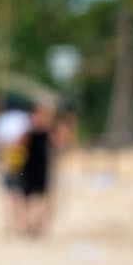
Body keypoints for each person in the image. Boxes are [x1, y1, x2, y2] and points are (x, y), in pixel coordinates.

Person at [21, 100, 76, 238]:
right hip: (30, 168)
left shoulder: (47, 132)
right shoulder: (30, 132)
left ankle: (38, 225)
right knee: (30, 198)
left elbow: (62, 145)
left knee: (41, 199)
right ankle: (32, 224)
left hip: (43, 169)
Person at [0, 94, 32, 237]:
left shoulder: (3, 119)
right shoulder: (26, 118)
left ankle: (10, 225)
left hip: (9, 161)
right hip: (23, 161)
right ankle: (23, 222)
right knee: (21, 193)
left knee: (9, 193)